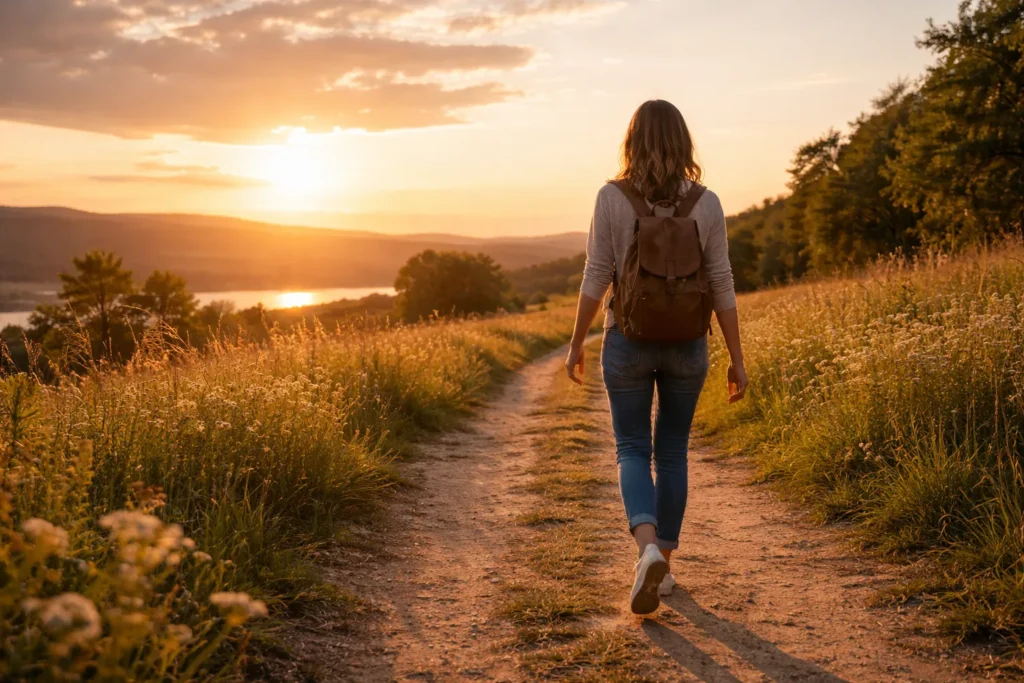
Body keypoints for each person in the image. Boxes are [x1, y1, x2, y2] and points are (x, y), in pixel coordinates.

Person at [564, 99, 748, 615]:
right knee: (671, 452)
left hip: (627, 340)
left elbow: (595, 275)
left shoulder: (611, 197)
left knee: (630, 447)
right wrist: (737, 358)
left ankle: (646, 550)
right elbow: (722, 284)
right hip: (689, 342)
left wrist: (578, 342)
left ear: (632, 141)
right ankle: (663, 563)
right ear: (684, 142)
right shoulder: (706, 203)